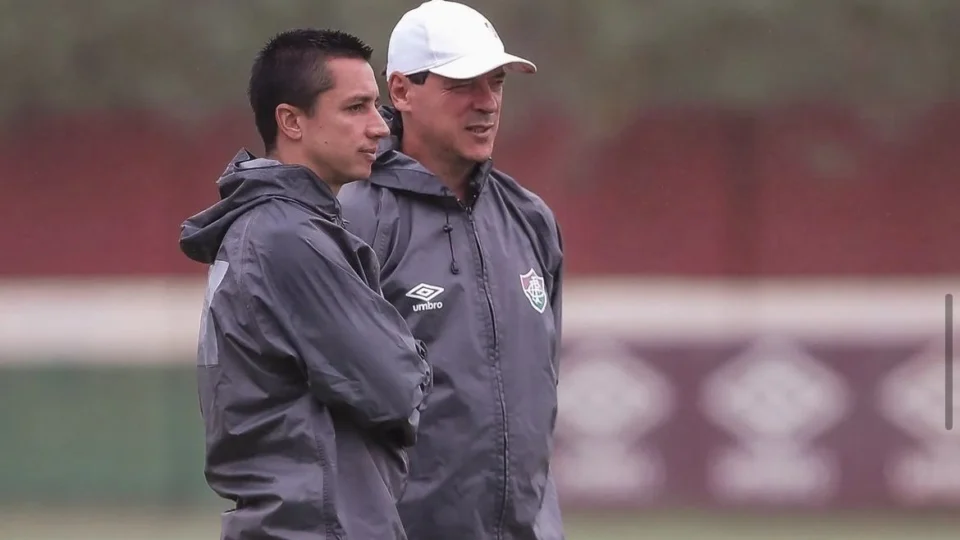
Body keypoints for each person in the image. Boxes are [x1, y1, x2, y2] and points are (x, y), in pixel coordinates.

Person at [178, 28, 432, 540]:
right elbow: (395, 388)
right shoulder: (288, 236)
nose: (380, 128)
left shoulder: (272, 227)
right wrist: (414, 361)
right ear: (291, 121)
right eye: (356, 107)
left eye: (377, 107)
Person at [338, 2, 565, 539]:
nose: (486, 103)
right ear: (400, 92)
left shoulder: (531, 219)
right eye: (463, 84)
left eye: (496, 83)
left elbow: (540, 392)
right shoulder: (354, 218)